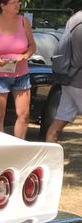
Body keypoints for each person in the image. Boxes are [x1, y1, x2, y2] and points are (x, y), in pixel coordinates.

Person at [0, 0, 35, 139]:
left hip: (21, 74)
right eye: (13, 2)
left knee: (24, 114)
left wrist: (25, 55)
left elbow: (32, 45)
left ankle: (19, 145)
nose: (17, 5)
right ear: (3, 6)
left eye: (18, 2)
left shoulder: (23, 21)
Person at [45, 9, 82, 142]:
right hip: (78, 81)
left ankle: (48, 158)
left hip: (68, 80)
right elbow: (79, 59)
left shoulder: (75, 19)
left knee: (59, 121)